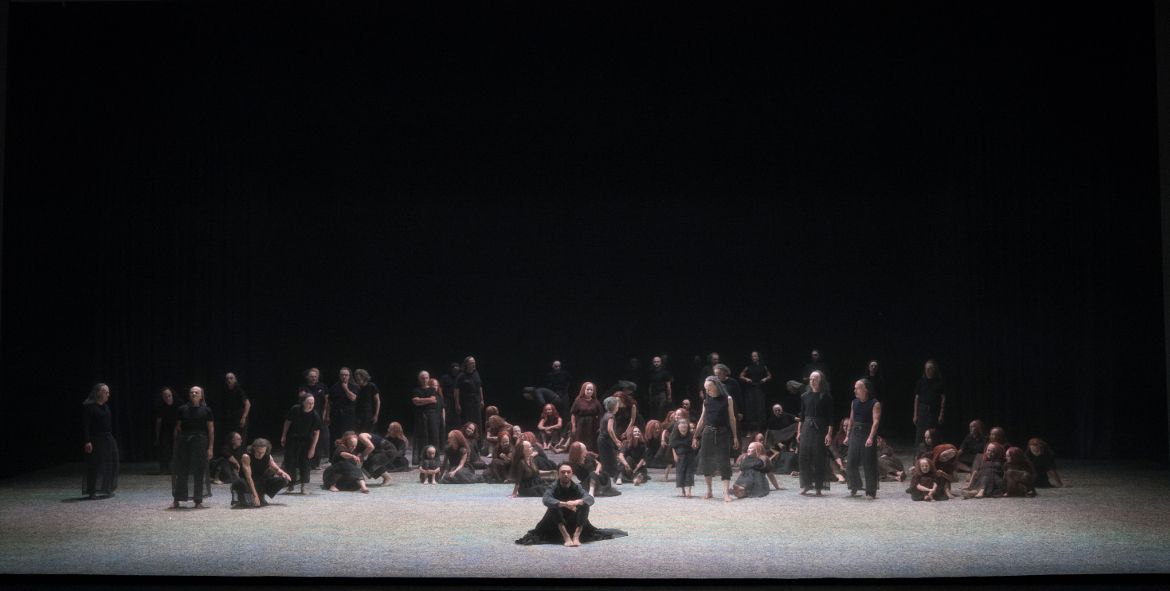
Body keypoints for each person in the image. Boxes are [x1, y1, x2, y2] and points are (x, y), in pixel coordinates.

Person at [514, 463, 628, 546]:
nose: (566, 474)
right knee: (554, 505)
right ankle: (566, 537)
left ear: (571, 474)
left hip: (573, 521)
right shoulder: (553, 486)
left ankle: (576, 536)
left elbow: (589, 498)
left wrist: (577, 502)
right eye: (563, 472)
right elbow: (546, 499)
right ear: (558, 474)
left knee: (584, 505)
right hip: (555, 523)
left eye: (568, 472)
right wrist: (563, 504)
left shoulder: (576, 486)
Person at [693, 375, 740, 502]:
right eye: (705, 388)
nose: (707, 390)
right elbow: (702, 420)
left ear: (716, 385)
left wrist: (735, 436)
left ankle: (725, 493)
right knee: (706, 462)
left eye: (709, 388)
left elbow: (732, 418)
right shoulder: (706, 400)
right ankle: (709, 491)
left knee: (724, 462)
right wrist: (695, 436)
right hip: (708, 432)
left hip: (723, 432)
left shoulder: (727, 399)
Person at [172, 386, 214, 508]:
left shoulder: (206, 410)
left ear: (201, 395)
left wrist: (210, 447)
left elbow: (211, 430)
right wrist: (176, 445)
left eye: (197, 392)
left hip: (200, 442)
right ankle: (177, 499)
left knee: (199, 471)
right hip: (184, 442)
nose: (194, 394)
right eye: (192, 392)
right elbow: (178, 428)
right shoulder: (182, 409)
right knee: (182, 470)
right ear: (189, 395)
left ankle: (198, 500)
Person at [796, 371, 833, 495]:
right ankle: (807, 485)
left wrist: (829, 434)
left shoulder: (826, 397)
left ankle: (818, 486)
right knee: (804, 457)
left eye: (815, 379)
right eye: (811, 378)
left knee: (818, 457)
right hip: (806, 426)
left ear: (820, 380)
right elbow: (802, 416)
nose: (812, 381)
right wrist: (798, 432)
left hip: (820, 427)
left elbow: (831, 418)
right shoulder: (805, 396)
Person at [845, 379, 881, 499]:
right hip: (856, 432)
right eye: (855, 388)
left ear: (865, 389)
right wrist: (847, 435)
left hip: (867, 432)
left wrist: (871, 437)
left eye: (857, 388)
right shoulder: (854, 402)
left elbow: (875, 422)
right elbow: (851, 420)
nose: (855, 390)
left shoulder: (874, 403)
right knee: (851, 461)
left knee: (868, 462)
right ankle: (855, 485)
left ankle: (870, 491)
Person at [82, 383, 118, 499]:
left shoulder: (106, 407)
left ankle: (106, 488)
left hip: (107, 438)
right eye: (106, 392)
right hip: (95, 439)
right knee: (95, 465)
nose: (108, 395)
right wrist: (87, 441)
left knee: (110, 463)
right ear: (99, 393)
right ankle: (92, 491)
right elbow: (85, 426)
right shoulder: (90, 407)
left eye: (108, 392)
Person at [280, 393, 321, 494]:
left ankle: (303, 486)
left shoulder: (315, 415)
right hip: (293, 439)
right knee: (290, 462)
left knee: (305, 463)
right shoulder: (295, 409)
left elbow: (317, 433)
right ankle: (290, 485)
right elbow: (287, 422)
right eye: (308, 403)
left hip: (306, 441)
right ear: (303, 402)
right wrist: (283, 436)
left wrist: (313, 448)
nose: (311, 405)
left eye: (313, 403)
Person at [232, 438, 291, 507]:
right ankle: (247, 498)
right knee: (239, 483)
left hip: (259, 481)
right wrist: (255, 495)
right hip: (247, 482)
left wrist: (284, 474)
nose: (260, 455)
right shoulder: (246, 456)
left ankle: (261, 496)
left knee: (283, 480)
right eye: (258, 452)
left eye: (262, 452)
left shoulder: (268, 456)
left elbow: (277, 469)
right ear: (254, 449)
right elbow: (249, 478)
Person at [411, 370, 442, 465]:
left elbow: (433, 400)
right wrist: (427, 400)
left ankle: (435, 459)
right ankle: (422, 459)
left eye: (426, 378)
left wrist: (421, 401)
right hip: (421, 415)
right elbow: (415, 401)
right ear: (419, 379)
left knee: (434, 436)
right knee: (422, 437)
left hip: (432, 415)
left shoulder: (432, 389)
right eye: (423, 378)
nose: (425, 380)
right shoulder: (416, 390)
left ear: (429, 378)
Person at [301, 367, 330, 469]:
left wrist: (326, 414)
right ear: (307, 377)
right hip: (308, 416)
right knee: (308, 438)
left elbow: (326, 401)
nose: (314, 378)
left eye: (315, 376)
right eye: (312, 377)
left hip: (319, 415)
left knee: (319, 440)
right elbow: (302, 398)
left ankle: (316, 463)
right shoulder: (303, 388)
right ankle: (306, 461)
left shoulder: (322, 386)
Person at [738, 351, 772, 436]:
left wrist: (765, 379)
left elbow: (770, 376)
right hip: (750, 389)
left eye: (755, 356)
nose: (753, 358)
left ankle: (759, 430)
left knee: (760, 409)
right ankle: (749, 430)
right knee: (750, 409)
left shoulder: (763, 367)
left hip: (759, 388)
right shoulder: (748, 367)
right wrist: (746, 379)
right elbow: (741, 375)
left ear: (758, 357)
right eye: (752, 356)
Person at [913, 360, 946, 445]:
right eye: (926, 368)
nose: (928, 370)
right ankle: (920, 454)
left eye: (930, 368)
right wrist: (915, 415)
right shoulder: (920, 382)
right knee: (921, 432)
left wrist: (941, 414)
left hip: (934, 409)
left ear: (934, 369)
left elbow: (943, 398)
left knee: (933, 432)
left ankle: (934, 452)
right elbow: (917, 399)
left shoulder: (939, 382)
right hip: (922, 409)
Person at [217, 372, 251, 449]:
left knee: (240, 436)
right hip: (231, 417)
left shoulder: (239, 390)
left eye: (231, 378)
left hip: (240, 417)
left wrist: (244, 417)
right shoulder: (225, 391)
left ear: (235, 380)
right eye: (227, 379)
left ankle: (241, 454)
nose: (229, 380)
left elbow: (248, 404)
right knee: (231, 437)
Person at [454, 356, 485, 431]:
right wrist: (457, 404)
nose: (474, 364)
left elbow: (479, 387)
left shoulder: (476, 373)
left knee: (477, 420)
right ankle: (466, 440)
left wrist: (482, 400)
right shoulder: (461, 376)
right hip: (466, 401)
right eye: (472, 363)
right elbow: (456, 390)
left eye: (474, 363)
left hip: (476, 400)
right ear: (467, 364)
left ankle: (479, 441)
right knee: (467, 421)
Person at [570, 382, 602, 452]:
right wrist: (573, 425)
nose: (589, 391)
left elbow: (600, 414)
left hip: (592, 425)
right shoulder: (578, 400)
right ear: (584, 390)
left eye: (591, 390)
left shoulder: (596, 401)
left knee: (591, 442)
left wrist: (600, 426)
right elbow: (573, 414)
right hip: (581, 424)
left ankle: (590, 457)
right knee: (580, 441)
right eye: (588, 389)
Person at [153, 387, 179, 475]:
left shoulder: (178, 403)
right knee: (165, 448)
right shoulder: (160, 406)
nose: (167, 398)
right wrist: (157, 436)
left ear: (172, 395)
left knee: (176, 448)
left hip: (177, 427)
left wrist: (177, 429)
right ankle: (164, 468)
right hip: (165, 429)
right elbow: (158, 422)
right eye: (165, 396)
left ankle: (176, 467)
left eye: (169, 396)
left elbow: (181, 419)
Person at [597, 397, 622, 483]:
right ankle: (611, 478)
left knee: (606, 460)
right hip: (605, 441)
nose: (618, 408)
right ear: (614, 406)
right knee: (610, 460)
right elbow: (610, 429)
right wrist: (616, 441)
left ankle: (607, 479)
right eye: (617, 406)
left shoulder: (606, 414)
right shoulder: (611, 416)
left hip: (602, 440)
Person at [329, 367, 359, 437]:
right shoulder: (334, 387)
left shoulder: (354, 386)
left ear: (349, 376)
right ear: (339, 376)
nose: (344, 376)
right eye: (342, 375)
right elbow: (329, 402)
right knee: (337, 434)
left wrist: (346, 389)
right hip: (337, 415)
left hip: (350, 415)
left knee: (349, 434)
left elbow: (353, 398)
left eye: (346, 375)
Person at [670, 418, 696, 497]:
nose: (684, 425)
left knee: (689, 473)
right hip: (680, 456)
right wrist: (675, 455)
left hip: (689, 456)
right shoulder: (674, 436)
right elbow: (672, 446)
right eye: (681, 423)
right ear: (678, 426)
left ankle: (689, 491)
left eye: (685, 423)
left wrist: (695, 444)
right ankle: (683, 490)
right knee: (681, 473)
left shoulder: (691, 435)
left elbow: (695, 446)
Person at [352, 369, 381, 434]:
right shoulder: (356, 387)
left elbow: (378, 401)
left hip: (369, 414)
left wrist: (376, 415)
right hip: (358, 414)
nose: (357, 381)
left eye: (359, 379)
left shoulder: (371, 386)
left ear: (364, 377)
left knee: (368, 433)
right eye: (356, 379)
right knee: (358, 433)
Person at [647, 355, 674, 425]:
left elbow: (668, 385)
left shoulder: (665, 372)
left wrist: (669, 396)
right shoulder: (651, 372)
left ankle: (659, 426)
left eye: (658, 362)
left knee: (660, 412)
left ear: (661, 362)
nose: (656, 363)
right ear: (653, 362)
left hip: (662, 394)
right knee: (653, 412)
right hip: (653, 394)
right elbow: (650, 385)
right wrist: (650, 395)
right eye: (655, 362)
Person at [439, 362, 461, 435]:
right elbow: (440, 388)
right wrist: (442, 400)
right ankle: (447, 437)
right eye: (454, 370)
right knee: (448, 419)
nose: (455, 371)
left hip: (458, 400)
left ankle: (457, 436)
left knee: (457, 419)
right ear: (451, 369)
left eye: (457, 370)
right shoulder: (445, 377)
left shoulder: (459, 377)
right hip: (448, 400)